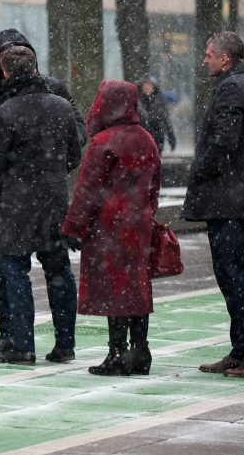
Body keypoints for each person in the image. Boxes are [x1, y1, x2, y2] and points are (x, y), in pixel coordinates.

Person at [0, 45, 81, 366]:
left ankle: (23, 345)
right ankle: (64, 344)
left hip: (16, 204)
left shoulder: (4, 113)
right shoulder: (62, 107)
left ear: (6, 73)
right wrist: (51, 174)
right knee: (59, 271)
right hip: (53, 201)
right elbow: (74, 155)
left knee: (15, 271)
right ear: (36, 67)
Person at [182, 31, 244, 378]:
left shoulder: (232, 88)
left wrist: (200, 173)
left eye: (209, 54)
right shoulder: (239, 84)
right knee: (231, 274)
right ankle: (243, 348)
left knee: (233, 276)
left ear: (225, 59)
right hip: (233, 195)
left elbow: (224, 141)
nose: (204, 59)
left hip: (228, 197)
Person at [62, 80, 161, 376]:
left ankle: (117, 353)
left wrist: (73, 227)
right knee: (137, 287)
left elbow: (87, 191)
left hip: (108, 228)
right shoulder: (146, 139)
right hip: (139, 226)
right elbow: (154, 185)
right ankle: (140, 349)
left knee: (114, 290)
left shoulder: (103, 141)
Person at [137, 77, 176, 154]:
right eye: (145, 84)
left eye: (149, 84)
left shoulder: (160, 100)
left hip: (157, 135)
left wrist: (171, 138)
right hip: (141, 137)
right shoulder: (137, 100)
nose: (147, 87)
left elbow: (166, 119)